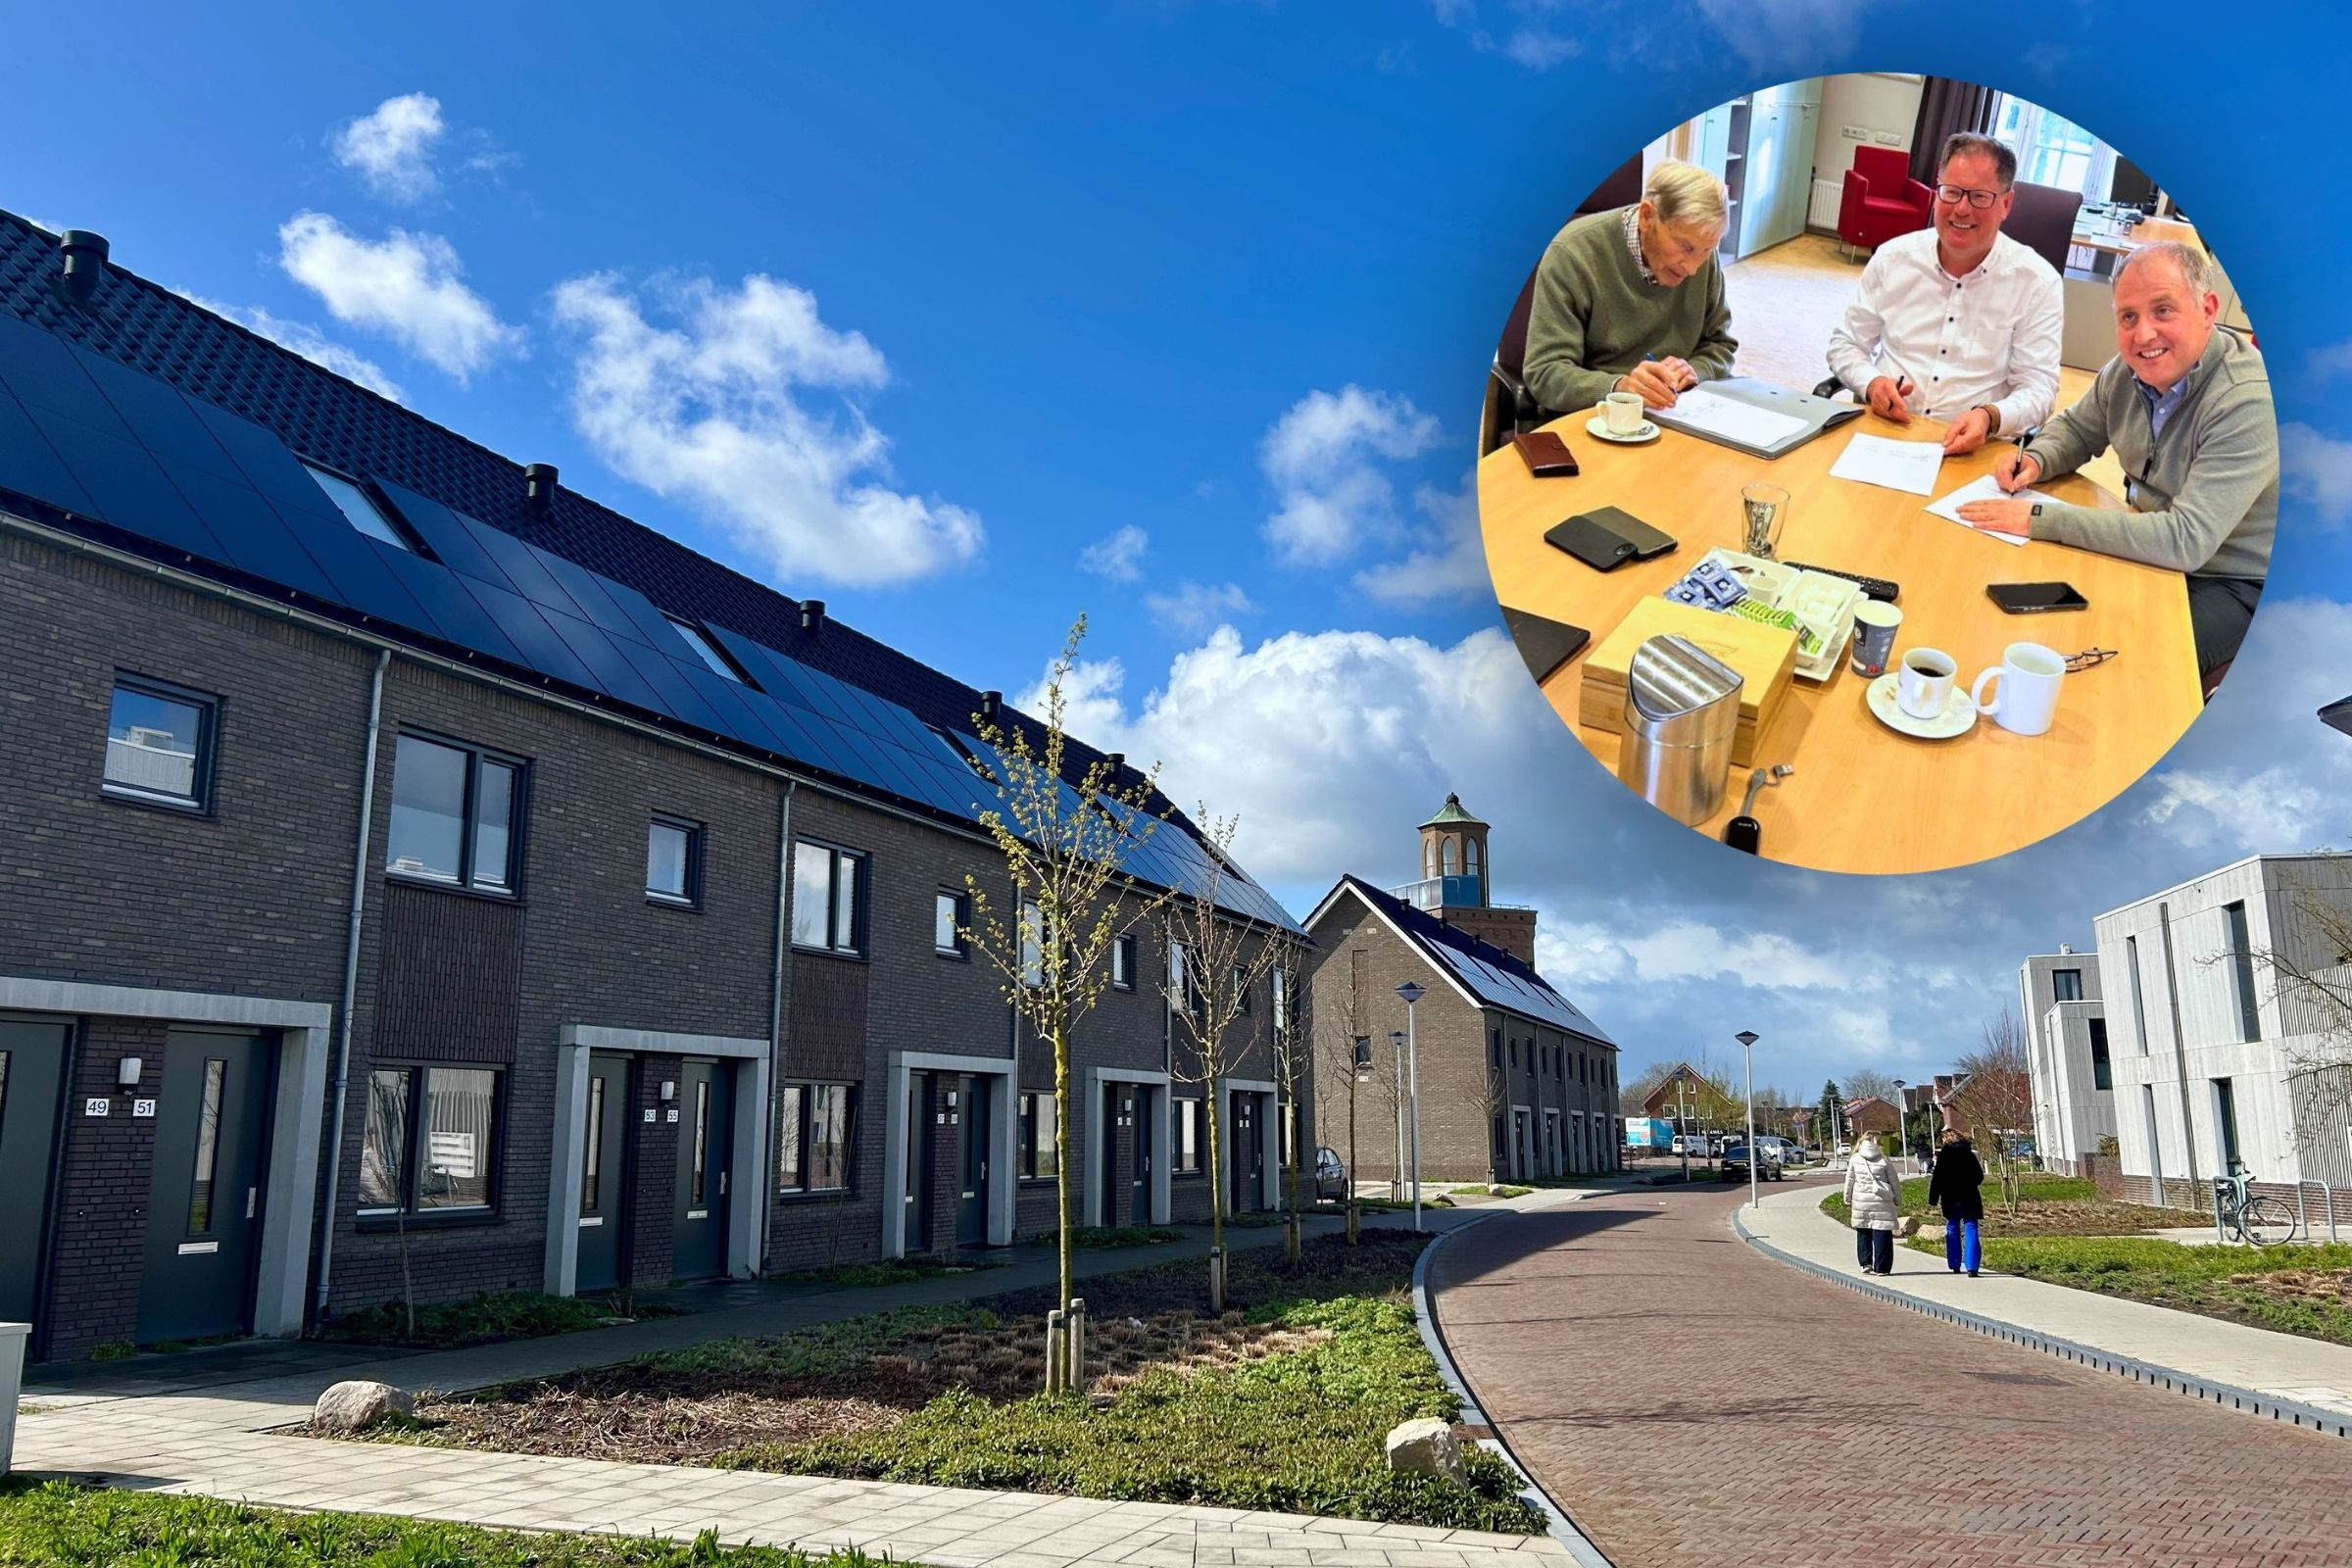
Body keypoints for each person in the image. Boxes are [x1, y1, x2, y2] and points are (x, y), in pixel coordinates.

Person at [1958, 240, 2276, 677]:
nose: (2143, 334)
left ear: (2207, 309)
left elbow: (2185, 540)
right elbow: (2077, 429)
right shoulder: (2128, 370)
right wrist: (2035, 459)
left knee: (2129, 664)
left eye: (2163, 310)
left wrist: (2039, 518)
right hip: (2153, 539)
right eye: (2128, 317)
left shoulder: (2247, 401)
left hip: (2233, 578)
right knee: (2048, 615)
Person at [1826, 132, 2062, 455]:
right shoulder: (1892, 258)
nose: (1961, 209)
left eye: (1979, 197)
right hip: (1883, 438)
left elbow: (2039, 389)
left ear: (2006, 204)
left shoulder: (2037, 282)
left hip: (1975, 451)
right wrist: (1871, 383)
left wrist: (1990, 416)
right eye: (1951, 192)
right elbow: (1846, 345)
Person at [1522, 160, 1739, 415]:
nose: (1692, 269)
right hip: (1595, 414)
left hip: (1675, 410)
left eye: (1706, 251)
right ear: (1647, 216)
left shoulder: (1702, 257)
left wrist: (1694, 371)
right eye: (1685, 247)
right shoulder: (1573, 253)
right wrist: (1621, 387)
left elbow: (1720, 346)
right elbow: (1545, 372)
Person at [1927, 1127, 1984, 1276]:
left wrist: (1933, 1198)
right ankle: (1972, 1267)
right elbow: (1979, 1176)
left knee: (1952, 1228)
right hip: (1969, 1196)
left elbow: (1937, 1179)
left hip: (1950, 1197)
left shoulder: (1944, 1156)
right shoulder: (1969, 1154)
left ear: (1946, 1140)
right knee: (1971, 1227)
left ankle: (1955, 1263)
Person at [1842, 1133, 1900, 1274]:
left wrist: (1847, 1197)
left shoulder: (1855, 1159)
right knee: (1882, 1233)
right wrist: (1898, 1199)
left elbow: (1849, 1181)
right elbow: (1894, 1182)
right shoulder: (1884, 1160)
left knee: (1863, 1231)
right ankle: (1882, 1267)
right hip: (1881, 1202)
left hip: (1861, 1202)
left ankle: (1865, 1263)